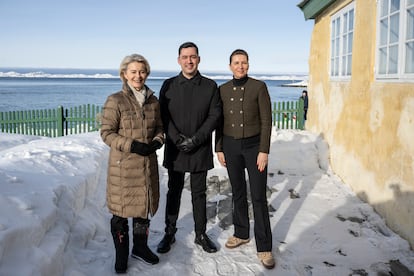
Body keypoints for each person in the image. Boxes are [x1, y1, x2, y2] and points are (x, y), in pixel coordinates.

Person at [100, 54, 164, 274]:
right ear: (124, 74)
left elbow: (159, 128)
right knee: (120, 212)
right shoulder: (115, 100)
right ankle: (121, 254)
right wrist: (133, 146)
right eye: (134, 71)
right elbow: (106, 133)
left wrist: (157, 141)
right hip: (124, 166)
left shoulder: (153, 100)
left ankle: (140, 248)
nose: (138, 76)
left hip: (147, 165)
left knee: (142, 208)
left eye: (142, 71)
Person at [157, 42, 222, 254]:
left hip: (199, 147)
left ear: (199, 59)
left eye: (193, 56)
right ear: (179, 60)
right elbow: (163, 116)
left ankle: (200, 234)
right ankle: (169, 232)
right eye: (185, 57)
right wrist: (176, 139)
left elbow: (215, 115)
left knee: (199, 193)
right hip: (175, 149)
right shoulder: (168, 85)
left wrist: (196, 139)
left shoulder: (210, 86)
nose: (189, 61)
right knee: (173, 191)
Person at [215, 49, 275, 269]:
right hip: (230, 147)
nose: (240, 66)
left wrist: (264, 150)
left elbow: (266, 121)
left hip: (253, 147)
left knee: (258, 196)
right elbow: (219, 122)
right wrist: (219, 147)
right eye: (236, 63)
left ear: (248, 65)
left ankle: (265, 246)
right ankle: (241, 233)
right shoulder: (222, 90)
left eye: (244, 63)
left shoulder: (259, 87)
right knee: (238, 191)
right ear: (230, 66)